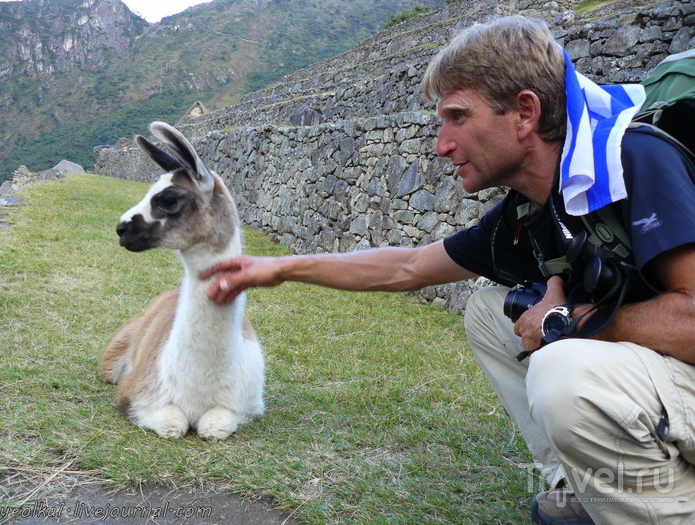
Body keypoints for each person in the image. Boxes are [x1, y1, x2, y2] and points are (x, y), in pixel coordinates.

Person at [201, 15, 695, 525]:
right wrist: (279, 268)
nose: (441, 143)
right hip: (663, 385)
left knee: (561, 366)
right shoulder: (532, 208)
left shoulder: (634, 159)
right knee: (489, 312)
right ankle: (585, 488)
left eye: (458, 117)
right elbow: (409, 266)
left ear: (524, 112)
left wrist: (568, 323)